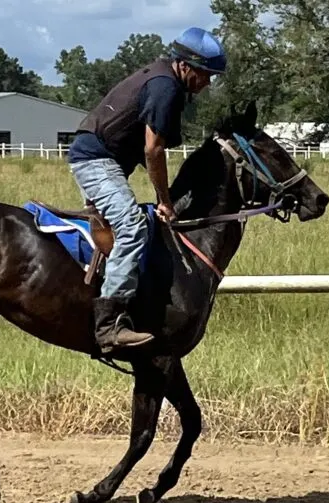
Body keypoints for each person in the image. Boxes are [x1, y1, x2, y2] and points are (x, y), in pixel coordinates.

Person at [66, 26, 227, 356]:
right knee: (132, 226)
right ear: (185, 65)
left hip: (104, 157)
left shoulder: (166, 82)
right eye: (205, 74)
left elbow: (150, 148)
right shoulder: (164, 87)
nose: (207, 83)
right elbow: (153, 150)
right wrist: (164, 201)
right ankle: (108, 326)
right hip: (94, 159)